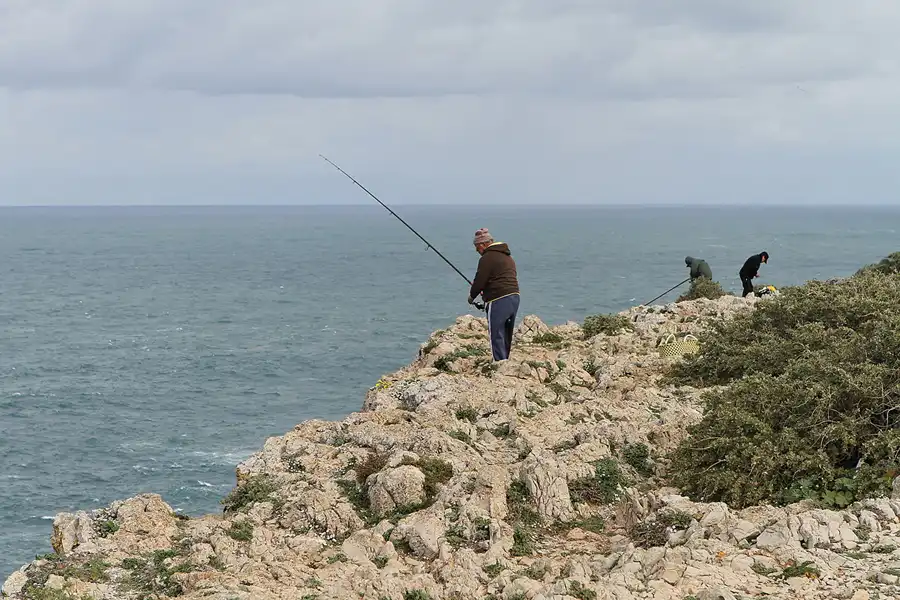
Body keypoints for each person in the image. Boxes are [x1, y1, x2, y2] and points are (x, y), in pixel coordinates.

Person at [468, 228, 520, 361]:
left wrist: (472, 296)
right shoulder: (507, 256)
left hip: (498, 298)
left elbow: (480, 280)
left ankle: (499, 362)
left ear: (483, 245)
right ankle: (505, 360)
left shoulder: (487, 258)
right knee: (506, 332)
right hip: (514, 296)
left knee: (496, 332)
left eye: (476, 246)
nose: (476, 250)